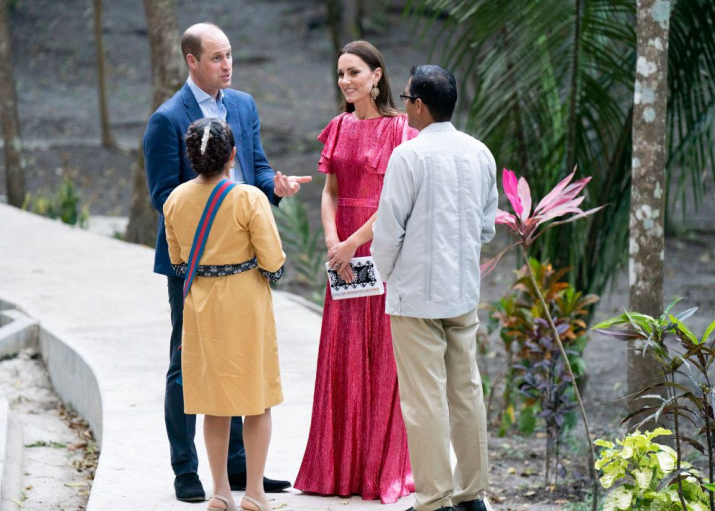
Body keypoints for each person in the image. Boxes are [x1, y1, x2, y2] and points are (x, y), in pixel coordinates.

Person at [143, 22, 310, 502]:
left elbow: (255, 170)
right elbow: (162, 197)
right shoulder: (167, 120)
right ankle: (186, 470)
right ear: (192, 61)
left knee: (240, 360)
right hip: (192, 263)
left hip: (244, 255)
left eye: (230, 55)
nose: (227, 64)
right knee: (188, 362)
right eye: (217, 57)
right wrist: (213, 225)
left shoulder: (243, 106)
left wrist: (272, 189)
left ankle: (239, 471)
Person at [371, 65, 498, 511]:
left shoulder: (409, 156)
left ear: (419, 105)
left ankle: (434, 500)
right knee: (466, 391)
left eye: (406, 99)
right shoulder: (481, 153)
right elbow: (486, 230)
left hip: (416, 296)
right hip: (462, 291)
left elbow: (388, 232)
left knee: (424, 399)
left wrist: (388, 277)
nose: (404, 106)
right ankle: (472, 495)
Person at [294, 40, 416, 504]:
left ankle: (377, 469)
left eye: (354, 73)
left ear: (377, 76)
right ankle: (336, 469)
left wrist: (352, 242)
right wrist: (332, 241)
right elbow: (330, 191)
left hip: (377, 250)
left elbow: (393, 201)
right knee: (343, 351)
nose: (345, 81)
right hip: (341, 254)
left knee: (380, 353)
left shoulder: (400, 130)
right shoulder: (340, 126)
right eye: (341, 73)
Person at [164, 118, 285, 511]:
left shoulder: (175, 200)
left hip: (202, 308)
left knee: (213, 404)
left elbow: (178, 259)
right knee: (256, 402)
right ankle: (253, 492)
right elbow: (273, 259)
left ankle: (218, 491)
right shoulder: (249, 199)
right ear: (233, 155)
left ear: (190, 156)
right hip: (246, 304)